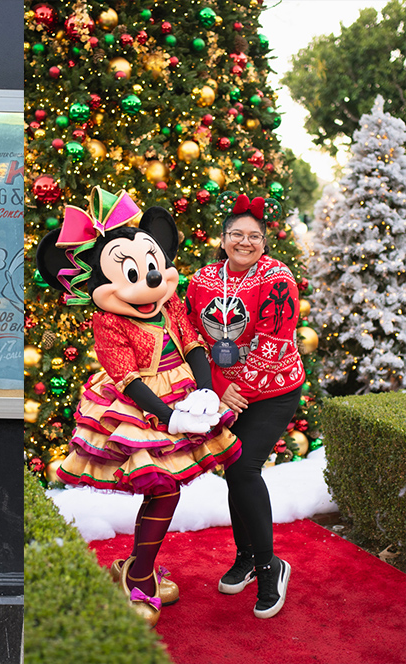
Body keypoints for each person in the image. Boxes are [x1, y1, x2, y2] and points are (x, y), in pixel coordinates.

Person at [35, 189, 239, 626]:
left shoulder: (170, 303)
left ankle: (135, 567)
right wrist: (169, 417)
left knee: (167, 487)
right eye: (132, 271)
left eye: (151, 266)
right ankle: (140, 574)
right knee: (163, 486)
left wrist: (204, 391)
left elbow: (193, 342)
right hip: (136, 403)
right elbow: (125, 376)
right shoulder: (107, 318)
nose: (148, 278)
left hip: (181, 391)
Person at [186, 193, 303, 619]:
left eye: (254, 236)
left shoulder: (277, 278)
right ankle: (247, 557)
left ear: (265, 242)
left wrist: (238, 391)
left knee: (242, 467)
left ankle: (271, 566)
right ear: (223, 238)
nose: (245, 241)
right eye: (237, 234)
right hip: (225, 391)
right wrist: (218, 388)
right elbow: (192, 339)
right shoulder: (200, 281)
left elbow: (273, 344)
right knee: (233, 470)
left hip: (274, 390)